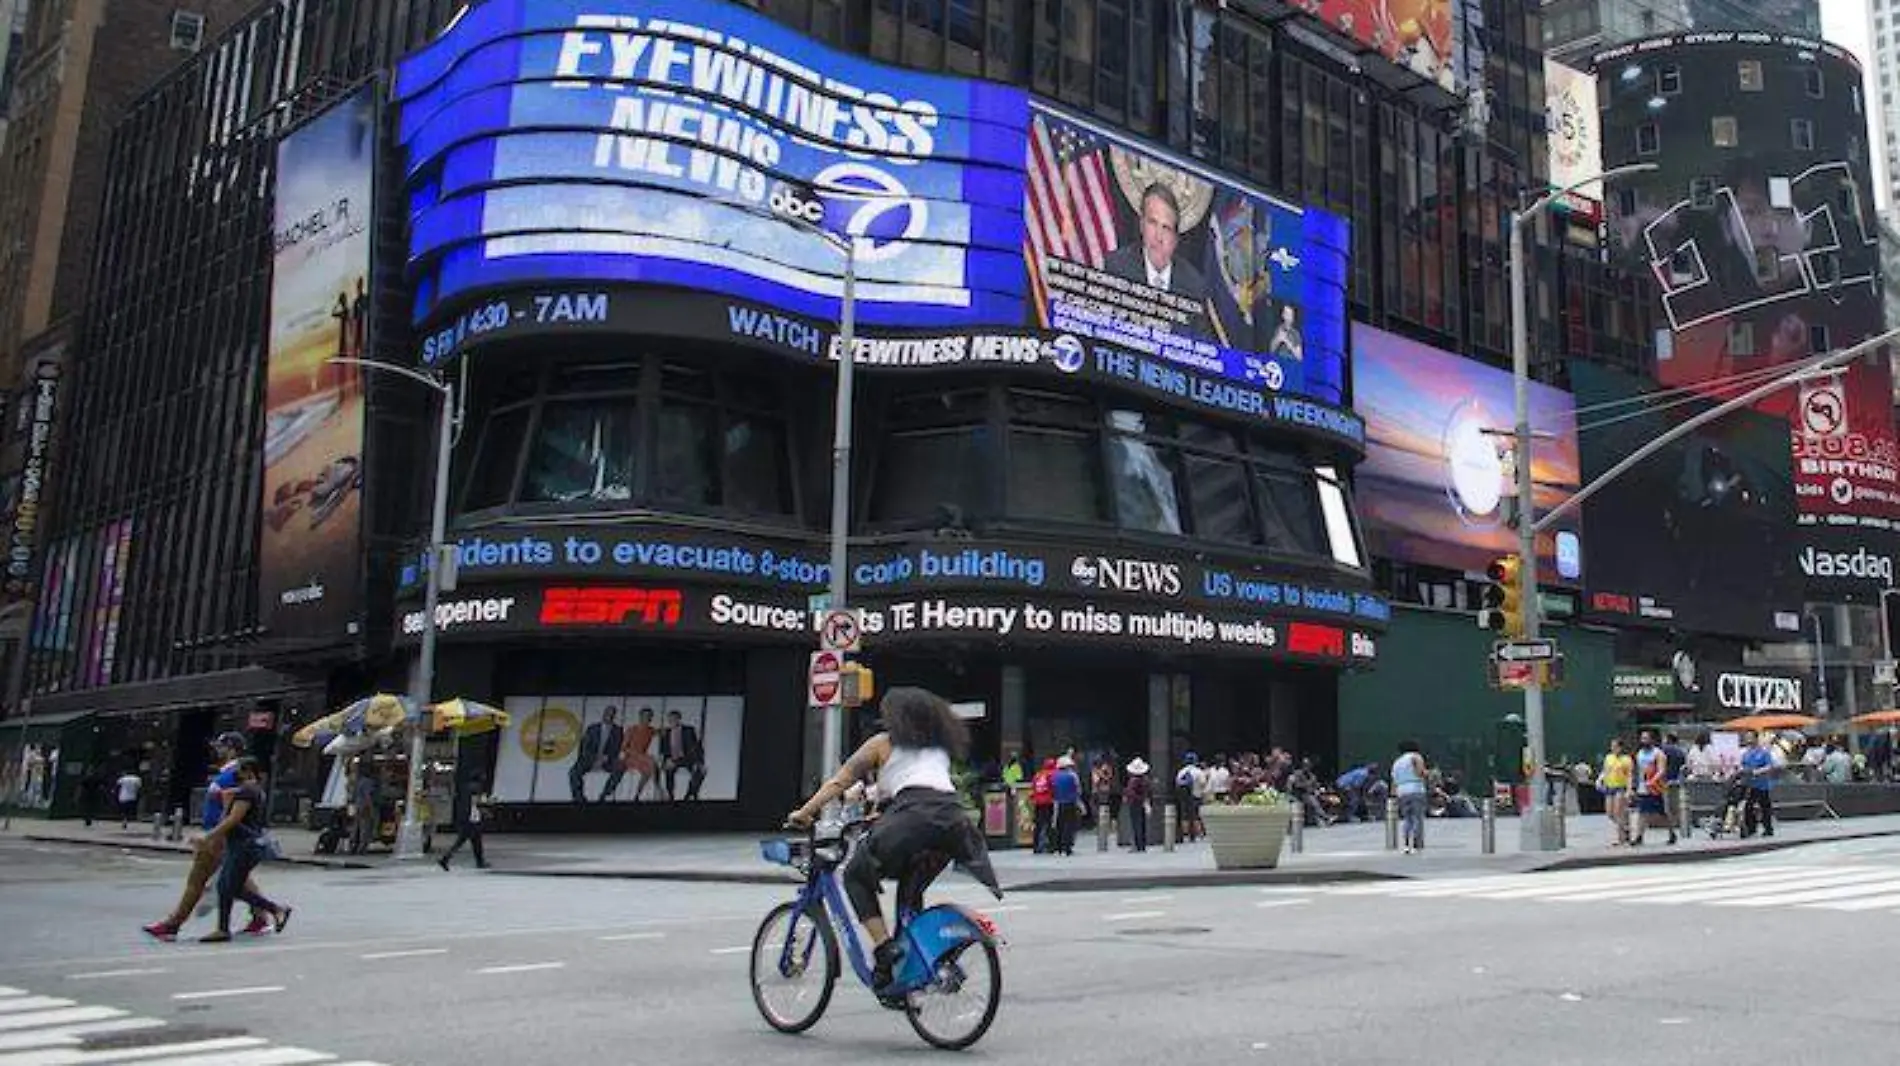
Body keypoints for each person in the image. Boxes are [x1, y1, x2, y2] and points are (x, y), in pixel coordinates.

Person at [784, 687, 999, 1000]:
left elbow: (840, 780)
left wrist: (804, 813)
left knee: (856, 874)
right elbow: (920, 787)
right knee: (910, 893)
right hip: (953, 822)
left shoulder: (882, 743)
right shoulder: (937, 748)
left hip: (913, 817)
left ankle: (886, 950)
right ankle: (908, 966)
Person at [143, 733, 267, 941]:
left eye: (222, 746)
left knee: (197, 880)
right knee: (238, 879)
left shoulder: (235, 775)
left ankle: (173, 924)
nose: (218, 750)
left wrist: (211, 835)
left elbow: (233, 810)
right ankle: (262, 915)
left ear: (233, 749)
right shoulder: (227, 773)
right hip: (220, 835)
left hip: (218, 837)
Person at [198, 758, 291, 943]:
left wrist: (210, 836)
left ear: (247, 771)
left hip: (243, 845)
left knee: (227, 886)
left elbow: (233, 819)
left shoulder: (247, 791)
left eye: (239, 770)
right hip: (243, 844)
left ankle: (274, 910)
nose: (235, 774)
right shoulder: (253, 791)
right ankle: (225, 927)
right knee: (228, 887)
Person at [1101, 182, 1209, 304]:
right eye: (1152, 223)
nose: (1158, 236)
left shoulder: (1194, 285)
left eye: (1166, 227)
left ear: (1176, 238)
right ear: (1141, 225)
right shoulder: (1115, 267)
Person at [570, 706, 624, 804]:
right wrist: (594, 758)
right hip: (590, 758)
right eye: (607, 713)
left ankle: (605, 794)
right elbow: (585, 746)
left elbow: (617, 748)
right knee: (573, 772)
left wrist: (606, 758)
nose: (609, 716)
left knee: (620, 768)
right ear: (603, 714)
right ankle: (579, 798)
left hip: (607, 760)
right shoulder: (592, 728)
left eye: (612, 714)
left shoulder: (618, 730)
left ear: (614, 716)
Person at [438, 774, 492, 870]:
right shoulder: (476, 788)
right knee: (464, 842)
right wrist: (487, 808)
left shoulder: (465, 788)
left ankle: (479, 861)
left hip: (465, 817)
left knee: (475, 842)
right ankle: (445, 858)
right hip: (472, 819)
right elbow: (477, 802)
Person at [1631, 731, 1675, 846]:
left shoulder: (1658, 754)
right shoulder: (1639, 753)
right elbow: (1637, 770)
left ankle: (1671, 832)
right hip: (1642, 786)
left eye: (1646, 738)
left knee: (1661, 813)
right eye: (1642, 738)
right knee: (1642, 811)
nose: (1643, 741)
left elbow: (1662, 770)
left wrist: (1653, 781)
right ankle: (1639, 836)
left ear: (1652, 740)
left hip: (1656, 788)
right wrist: (1634, 785)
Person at [610, 707, 660, 802]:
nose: (647, 719)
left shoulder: (650, 730)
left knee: (647, 771)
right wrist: (637, 754)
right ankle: (658, 787)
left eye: (649, 717)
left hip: (642, 759)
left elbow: (660, 732)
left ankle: (637, 795)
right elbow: (624, 747)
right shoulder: (632, 729)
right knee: (651, 760)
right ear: (640, 717)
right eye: (645, 716)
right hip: (631, 758)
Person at [659, 709, 706, 801]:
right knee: (668, 770)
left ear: (679, 719)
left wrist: (699, 761)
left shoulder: (688, 730)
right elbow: (663, 750)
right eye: (670, 720)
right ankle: (670, 795)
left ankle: (690, 794)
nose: (672, 721)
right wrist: (666, 759)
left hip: (687, 758)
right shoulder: (665, 732)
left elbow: (696, 746)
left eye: (674, 719)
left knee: (700, 771)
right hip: (672, 759)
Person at [1392, 741, 1428, 854]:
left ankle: (1407, 844)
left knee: (1407, 818)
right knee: (1417, 817)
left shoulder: (1397, 762)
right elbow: (1419, 772)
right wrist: (1428, 774)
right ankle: (1417, 843)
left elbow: (1394, 781)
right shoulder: (1416, 757)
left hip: (1401, 791)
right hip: (1415, 788)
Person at [1596, 738, 1633, 846]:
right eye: (1612, 746)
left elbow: (1629, 775)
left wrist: (1629, 790)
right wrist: (1600, 779)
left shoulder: (1626, 759)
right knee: (1610, 813)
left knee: (1618, 812)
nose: (1613, 748)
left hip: (1620, 787)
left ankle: (1620, 838)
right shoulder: (1608, 758)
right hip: (1609, 786)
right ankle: (1625, 828)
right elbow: (1605, 770)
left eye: (1615, 746)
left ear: (1620, 748)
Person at [1741, 731, 1778, 838]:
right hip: (1749, 784)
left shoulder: (1763, 752)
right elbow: (1743, 765)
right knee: (1748, 806)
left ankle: (1768, 829)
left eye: (1750, 737)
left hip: (1762, 784)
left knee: (1765, 807)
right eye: (1746, 737)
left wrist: (1758, 771)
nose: (1748, 740)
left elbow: (1770, 766)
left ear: (1756, 739)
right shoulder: (1746, 753)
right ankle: (1751, 828)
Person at [1050, 755, 1082, 856]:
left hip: (1058, 803)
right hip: (1070, 802)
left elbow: (1052, 789)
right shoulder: (1073, 776)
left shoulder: (1054, 776)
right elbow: (1078, 790)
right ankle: (1066, 848)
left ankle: (1057, 848)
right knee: (1069, 825)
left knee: (1058, 825)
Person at [1123, 757, 1151, 851]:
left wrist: (1129, 795)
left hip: (1135, 804)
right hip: (1143, 803)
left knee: (1136, 824)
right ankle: (1142, 845)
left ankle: (1137, 845)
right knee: (1142, 824)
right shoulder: (1145, 780)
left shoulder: (1133, 781)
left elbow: (1130, 792)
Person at [1029, 758, 1056, 853]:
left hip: (1037, 803)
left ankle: (1036, 847)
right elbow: (1053, 788)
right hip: (1048, 802)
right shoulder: (1052, 774)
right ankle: (1051, 846)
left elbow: (1033, 788)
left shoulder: (1037, 775)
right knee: (1049, 824)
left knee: (1038, 825)